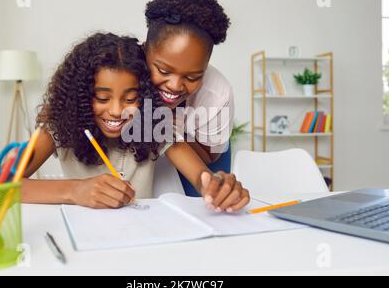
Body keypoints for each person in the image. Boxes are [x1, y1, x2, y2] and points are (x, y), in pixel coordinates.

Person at [22, 32, 249, 213]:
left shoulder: (153, 124)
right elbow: (1, 188)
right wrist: (74, 190)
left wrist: (217, 185)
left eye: (130, 99)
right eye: (102, 98)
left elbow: (202, 177)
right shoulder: (57, 126)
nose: (116, 111)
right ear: (80, 96)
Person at [144, 0, 235, 197]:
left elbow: (209, 157)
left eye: (192, 77)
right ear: (145, 49)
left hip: (199, 148)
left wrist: (170, 127)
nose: (175, 86)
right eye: (164, 70)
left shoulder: (217, 92)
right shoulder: (125, 70)